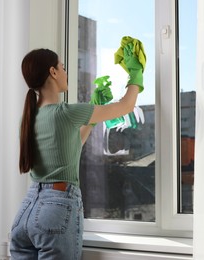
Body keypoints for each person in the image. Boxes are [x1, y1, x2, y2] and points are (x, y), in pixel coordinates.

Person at [10, 42, 144, 259]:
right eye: (62, 67)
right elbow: (126, 106)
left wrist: (91, 111)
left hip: (27, 211)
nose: (65, 72)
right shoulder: (66, 112)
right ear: (52, 72)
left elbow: (72, 146)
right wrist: (135, 73)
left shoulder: (27, 119)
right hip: (56, 209)